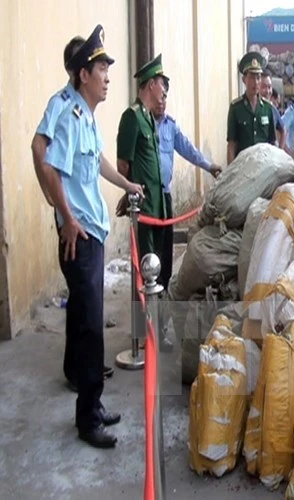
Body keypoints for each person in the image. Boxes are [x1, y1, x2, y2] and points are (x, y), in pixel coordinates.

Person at [42, 25, 144, 448]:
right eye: (101, 68)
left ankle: (94, 403)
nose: (107, 75)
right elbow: (48, 165)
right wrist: (66, 218)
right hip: (79, 235)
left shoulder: (87, 117)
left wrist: (127, 184)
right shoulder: (67, 114)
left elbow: (98, 162)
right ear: (83, 74)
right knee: (89, 329)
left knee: (88, 323)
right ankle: (88, 419)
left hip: (93, 232)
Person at [116, 53, 173, 351]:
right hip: (144, 212)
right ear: (151, 84)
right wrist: (129, 195)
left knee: (158, 273)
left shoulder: (149, 118)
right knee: (142, 274)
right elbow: (123, 164)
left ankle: (154, 331)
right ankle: (142, 335)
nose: (164, 91)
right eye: (162, 85)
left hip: (157, 210)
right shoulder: (132, 117)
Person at [153, 85, 221, 293]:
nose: (163, 101)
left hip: (164, 195)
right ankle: (145, 299)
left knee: (165, 247)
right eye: (160, 96)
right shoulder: (143, 124)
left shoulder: (170, 126)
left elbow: (187, 149)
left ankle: (163, 290)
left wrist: (209, 166)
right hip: (148, 198)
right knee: (150, 250)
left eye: (166, 97)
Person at [32, 36, 85, 208]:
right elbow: (38, 145)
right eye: (81, 62)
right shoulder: (60, 103)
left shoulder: (86, 103)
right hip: (70, 205)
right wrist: (49, 193)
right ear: (70, 69)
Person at [226, 52, 277, 164]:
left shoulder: (267, 108)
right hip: (243, 166)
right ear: (244, 80)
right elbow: (231, 144)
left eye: (258, 78)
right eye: (252, 78)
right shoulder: (235, 108)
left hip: (264, 166)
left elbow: (272, 142)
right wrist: (230, 173)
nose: (256, 82)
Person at [260, 72, 286, 149]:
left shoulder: (272, 108)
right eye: (264, 87)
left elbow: (283, 130)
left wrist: (280, 151)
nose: (268, 91)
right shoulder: (252, 108)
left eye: (269, 87)